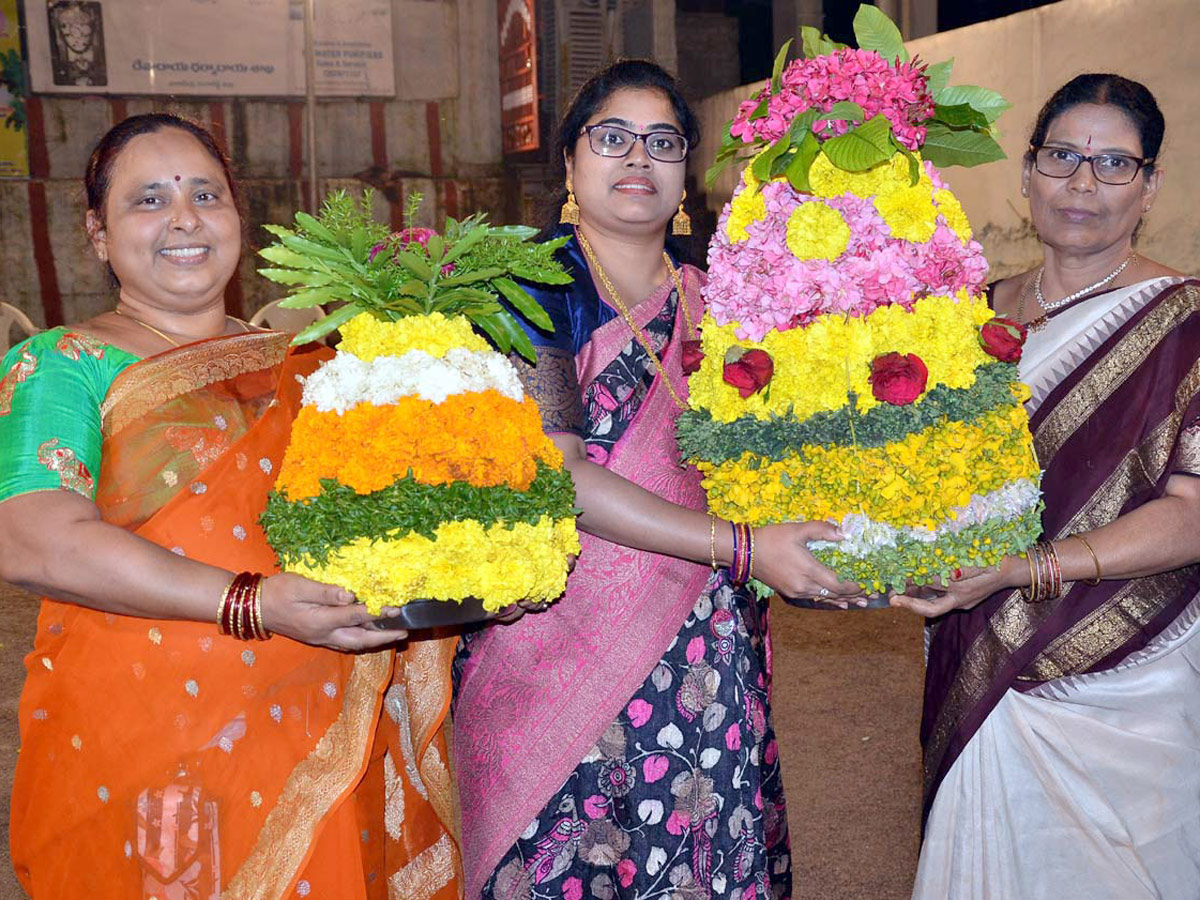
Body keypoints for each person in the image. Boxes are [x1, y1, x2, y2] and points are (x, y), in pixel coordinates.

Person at [0, 113, 461, 898]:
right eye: (148, 200)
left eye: (205, 194)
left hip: (321, 734)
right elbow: (34, 540)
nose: (183, 218)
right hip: (150, 749)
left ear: (237, 218)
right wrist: (253, 603)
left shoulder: (313, 366)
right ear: (99, 233)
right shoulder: (62, 365)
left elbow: (390, 518)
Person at [451, 60, 861, 900]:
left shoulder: (722, 299)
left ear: (684, 174)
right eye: (613, 137)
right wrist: (747, 549)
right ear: (569, 164)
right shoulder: (531, 289)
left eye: (663, 141)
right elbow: (558, 474)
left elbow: (780, 459)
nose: (638, 157)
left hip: (707, 654)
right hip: (555, 640)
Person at [896, 75, 1200, 899]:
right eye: (1062, 157)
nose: (1083, 184)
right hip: (977, 649)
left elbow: (1194, 514)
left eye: (1112, 163)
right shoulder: (968, 313)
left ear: (1150, 185)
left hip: (1128, 667)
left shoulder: (1185, 321)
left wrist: (1027, 571)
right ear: (1027, 172)